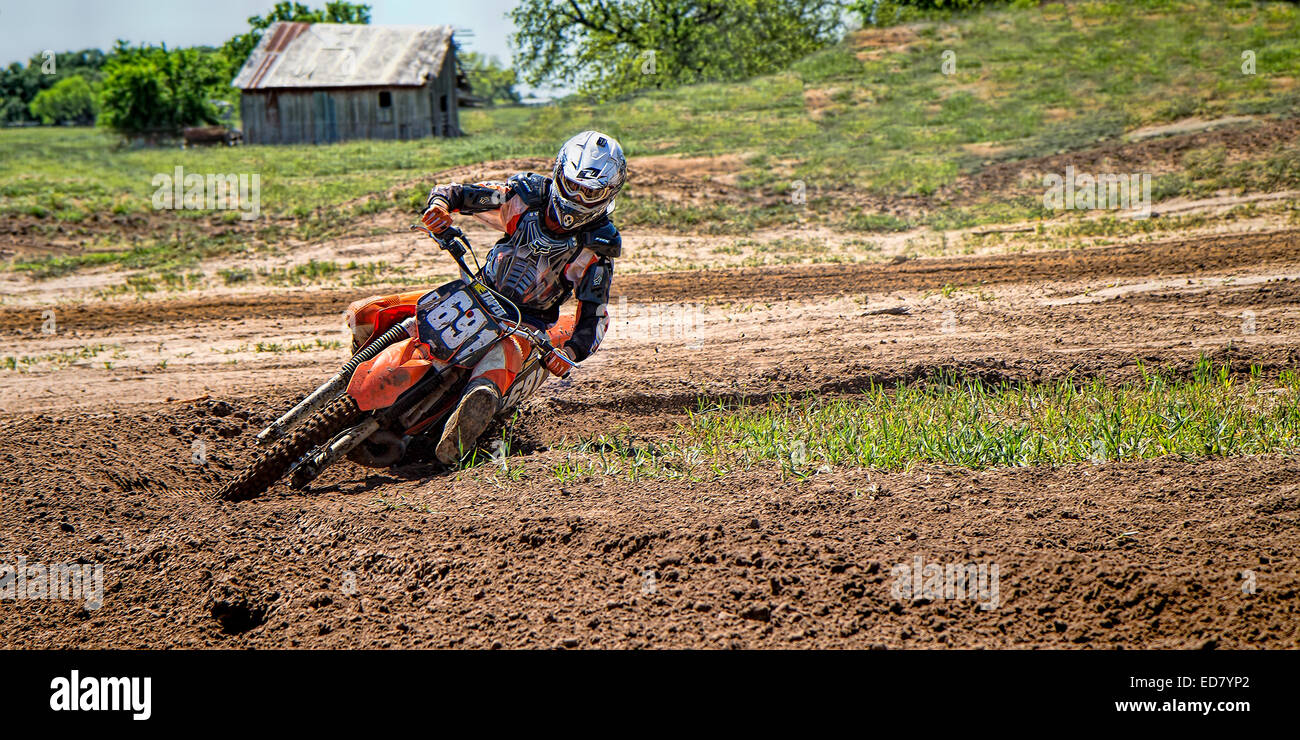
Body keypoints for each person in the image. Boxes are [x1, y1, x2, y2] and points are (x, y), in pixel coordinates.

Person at [344, 130, 627, 465]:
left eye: (591, 192)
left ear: (608, 194)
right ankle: (349, 383)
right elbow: (463, 193)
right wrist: (440, 207)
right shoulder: (525, 195)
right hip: (475, 293)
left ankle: (459, 434)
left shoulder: (598, 246)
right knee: (366, 312)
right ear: (558, 173)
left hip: (526, 324)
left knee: (492, 374)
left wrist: (569, 351)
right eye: (574, 185)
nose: (579, 197)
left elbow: (594, 316)